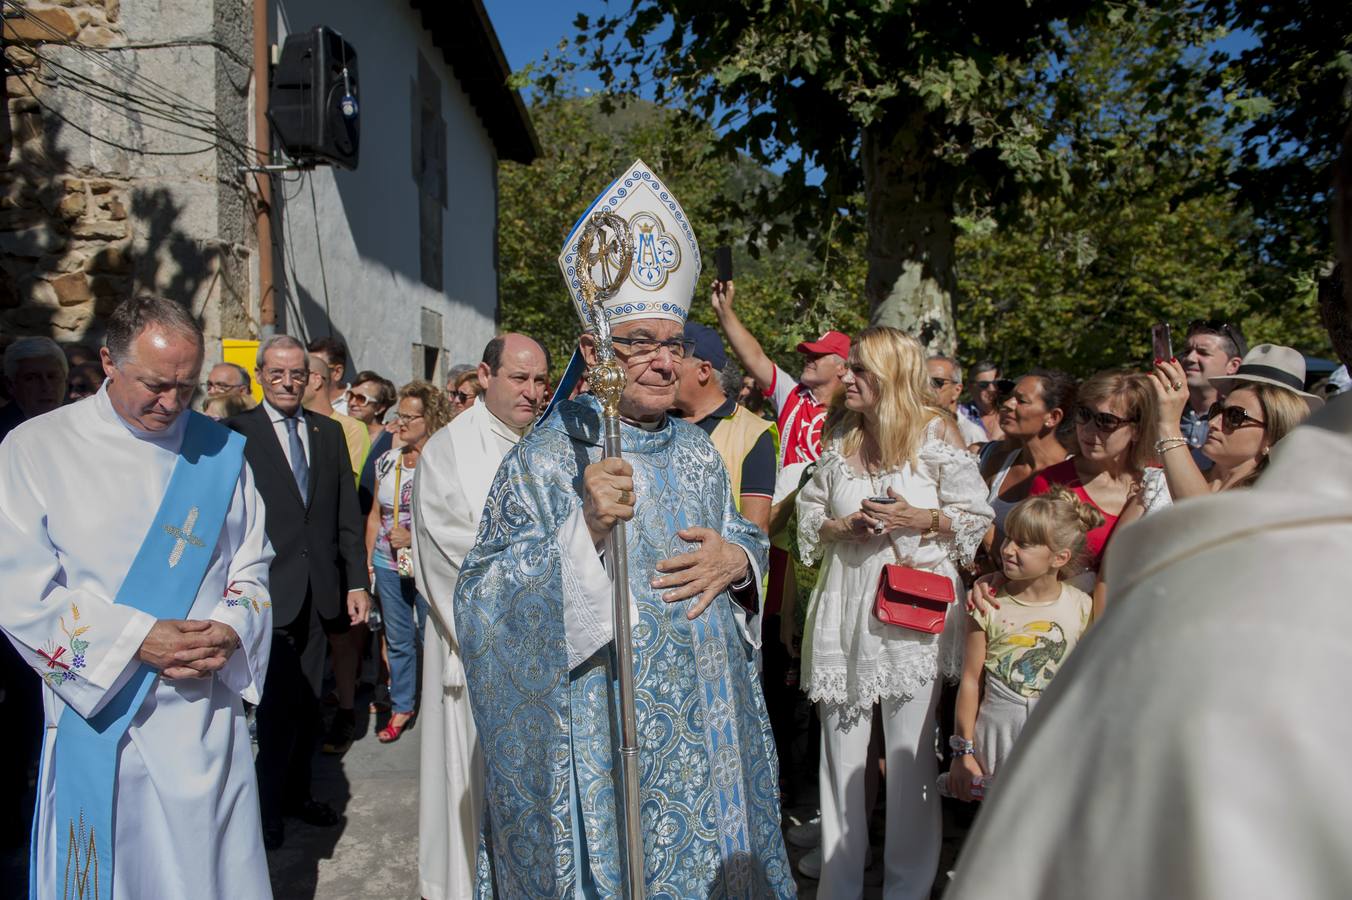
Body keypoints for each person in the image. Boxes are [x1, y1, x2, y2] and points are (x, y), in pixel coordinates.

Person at [454, 159, 794, 896]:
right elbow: (483, 603)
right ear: (592, 353)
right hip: (608, 741)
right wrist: (582, 530)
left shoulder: (700, 454)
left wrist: (739, 559)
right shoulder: (548, 461)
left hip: (709, 740)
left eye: (674, 343)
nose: (664, 361)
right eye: (640, 342)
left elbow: (748, 538)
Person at [0, 296, 274, 898]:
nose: (171, 403)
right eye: (154, 384)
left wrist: (231, 627)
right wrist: (136, 641)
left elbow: (252, 561)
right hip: (102, 712)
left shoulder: (220, 453)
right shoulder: (36, 448)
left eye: (186, 386)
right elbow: (18, 589)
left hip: (204, 712)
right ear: (107, 362)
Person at [794, 325, 993, 899]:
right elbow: (809, 519)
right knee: (839, 760)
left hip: (913, 610)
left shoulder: (935, 436)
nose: (846, 377)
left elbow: (977, 518)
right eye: (848, 367)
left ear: (891, 377)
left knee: (908, 763)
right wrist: (847, 525)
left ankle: (907, 888)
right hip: (846, 602)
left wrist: (920, 520)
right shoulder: (839, 437)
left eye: (859, 369)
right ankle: (839, 886)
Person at [411, 332, 550, 900]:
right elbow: (451, 555)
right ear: (484, 378)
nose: (533, 391)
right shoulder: (448, 451)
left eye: (541, 380)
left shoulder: (548, 442)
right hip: (477, 652)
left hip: (547, 653)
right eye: (519, 378)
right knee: (469, 788)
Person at [226, 335, 371, 850]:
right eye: (277, 373)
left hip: (320, 592)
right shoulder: (234, 434)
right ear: (261, 375)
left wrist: (357, 581)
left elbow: (346, 518)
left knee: (310, 704)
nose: (288, 382)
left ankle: (298, 794)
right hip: (264, 591)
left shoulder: (328, 434)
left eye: (297, 374)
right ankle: (263, 809)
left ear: (311, 379)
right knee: (268, 710)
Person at [943, 489, 1098, 803]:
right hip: (996, 736)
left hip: (1058, 737)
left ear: (1060, 558)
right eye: (1008, 538)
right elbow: (972, 680)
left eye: (1024, 544)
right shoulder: (987, 604)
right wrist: (964, 750)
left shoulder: (1082, 607)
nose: (1008, 549)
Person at [1125, 344, 1319, 518]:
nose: (1214, 422)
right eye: (1217, 410)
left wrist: (1168, 425)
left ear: (1272, 437)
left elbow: (1204, 521)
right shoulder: (1162, 481)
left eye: (1234, 416)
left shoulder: (1271, 504)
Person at [1025, 371, 1156, 606]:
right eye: (1084, 415)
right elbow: (1029, 560)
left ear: (1136, 429)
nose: (1089, 429)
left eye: (1106, 421)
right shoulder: (1052, 482)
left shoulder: (1157, 481)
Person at [364, 381, 448, 743]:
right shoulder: (388, 461)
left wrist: (412, 539)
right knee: (397, 637)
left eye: (410, 417)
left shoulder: (443, 464)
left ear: (429, 419)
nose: (400, 423)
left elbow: (450, 518)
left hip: (426, 560)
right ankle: (402, 706)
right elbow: (373, 515)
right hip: (388, 562)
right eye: (400, 415)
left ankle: (440, 706)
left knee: (435, 636)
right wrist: (368, 563)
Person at [674, 322, 778, 533]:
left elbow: (755, 531)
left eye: (675, 356)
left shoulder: (752, 433)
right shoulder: (656, 420)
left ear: (703, 371)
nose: (664, 365)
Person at [978, 370, 1078, 544]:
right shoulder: (998, 462)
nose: (1008, 404)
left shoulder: (1074, 478)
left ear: (1053, 417)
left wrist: (989, 537)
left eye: (1021, 401)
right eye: (1010, 397)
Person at [1176, 319, 1247, 465]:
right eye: (1187, 351)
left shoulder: (1242, 422)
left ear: (1233, 366)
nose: (1190, 358)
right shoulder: (1162, 413)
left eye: (1203, 352)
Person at [305, 351, 370, 482]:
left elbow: (347, 482)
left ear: (316, 380)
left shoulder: (352, 428)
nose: (289, 383)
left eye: (299, 375)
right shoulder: (296, 425)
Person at [0, 336, 68, 442]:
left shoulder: (80, 423)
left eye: (52, 376)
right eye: (31, 378)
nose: (46, 387)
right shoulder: (4, 432)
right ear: (10, 385)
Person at [349, 371, 398, 515]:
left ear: (380, 408)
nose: (352, 403)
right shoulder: (339, 431)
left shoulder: (392, 438)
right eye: (350, 396)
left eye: (361, 399)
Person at [928, 354, 987, 448]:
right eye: (921, 380)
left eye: (936, 382)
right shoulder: (905, 422)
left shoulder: (972, 433)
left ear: (957, 390)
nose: (926, 388)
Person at [308, 335, 353, 416]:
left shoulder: (355, 405)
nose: (307, 376)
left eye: (315, 369)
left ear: (337, 372)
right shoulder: (301, 402)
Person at [962, 360, 1006, 442]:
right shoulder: (958, 415)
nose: (991, 389)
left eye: (996, 383)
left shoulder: (1011, 415)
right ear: (970, 386)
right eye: (984, 385)